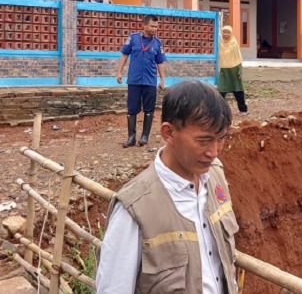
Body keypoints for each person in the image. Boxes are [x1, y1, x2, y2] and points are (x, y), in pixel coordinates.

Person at [96, 80, 239, 294]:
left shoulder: (215, 175)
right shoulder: (135, 208)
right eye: (204, 140)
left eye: (221, 139)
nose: (214, 152)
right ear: (169, 133)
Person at [116, 14, 166, 148]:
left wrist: (162, 80)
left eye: (156, 27)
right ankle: (131, 137)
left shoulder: (158, 43)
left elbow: (160, 62)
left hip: (150, 81)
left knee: (149, 109)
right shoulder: (133, 39)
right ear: (144, 25)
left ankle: (144, 136)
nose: (154, 29)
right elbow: (124, 55)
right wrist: (119, 72)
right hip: (134, 80)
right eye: (152, 26)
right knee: (132, 109)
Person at [217, 26, 248, 116]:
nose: (225, 34)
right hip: (224, 69)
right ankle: (219, 111)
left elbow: (238, 57)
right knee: (221, 90)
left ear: (231, 33)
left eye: (227, 32)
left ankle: (243, 110)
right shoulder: (221, 44)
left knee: (238, 90)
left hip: (234, 69)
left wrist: (240, 70)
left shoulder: (234, 43)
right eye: (224, 32)